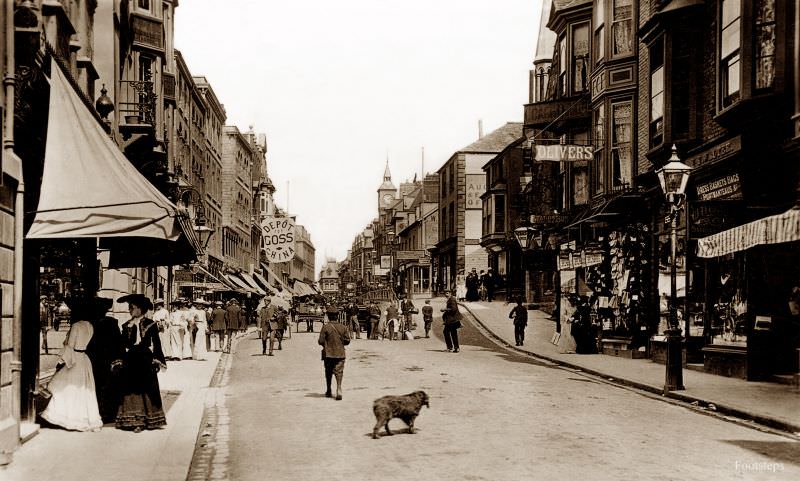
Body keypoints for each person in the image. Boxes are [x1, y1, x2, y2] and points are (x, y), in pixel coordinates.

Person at [40, 297, 103, 432]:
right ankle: (84, 417)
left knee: (65, 387)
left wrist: (61, 361)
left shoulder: (76, 326)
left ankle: (67, 417)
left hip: (74, 358)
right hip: (84, 359)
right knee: (83, 390)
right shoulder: (90, 325)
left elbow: (70, 346)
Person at [115, 294, 167, 432]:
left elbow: (157, 344)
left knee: (146, 388)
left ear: (139, 309)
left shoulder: (151, 324)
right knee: (130, 388)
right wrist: (119, 360)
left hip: (145, 360)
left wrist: (157, 360)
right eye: (129, 308)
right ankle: (133, 419)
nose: (129, 310)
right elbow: (122, 345)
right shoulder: (126, 325)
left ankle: (145, 420)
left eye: (131, 307)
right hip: (130, 360)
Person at [85, 296, 125, 425]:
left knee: (98, 386)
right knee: (105, 386)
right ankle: (106, 413)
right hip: (102, 358)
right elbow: (118, 343)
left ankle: (101, 412)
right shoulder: (111, 322)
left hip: (97, 358)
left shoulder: (91, 322)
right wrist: (119, 357)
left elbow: (118, 342)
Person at [318, 307, 349, 400]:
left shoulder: (325, 327)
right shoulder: (343, 327)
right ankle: (339, 389)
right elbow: (347, 341)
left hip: (328, 354)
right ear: (337, 316)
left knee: (328, 372)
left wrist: (327, 344)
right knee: (339, 372)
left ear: (328, 316)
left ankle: (328, 390)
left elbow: (320, 341)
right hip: (340, 353)